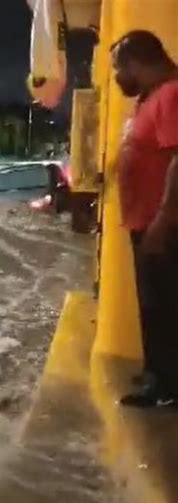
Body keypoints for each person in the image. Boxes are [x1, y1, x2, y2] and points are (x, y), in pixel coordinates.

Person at [112, 30, 178, 407]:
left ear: (137, 63)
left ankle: (166, 386)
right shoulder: (153, 96)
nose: (119, 77)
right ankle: (159, 371)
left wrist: (164, 220)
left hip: (163, 226)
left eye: (120, 68)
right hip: (147, 222)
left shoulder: (171, 94)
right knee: (154, 304)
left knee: (164, 305)